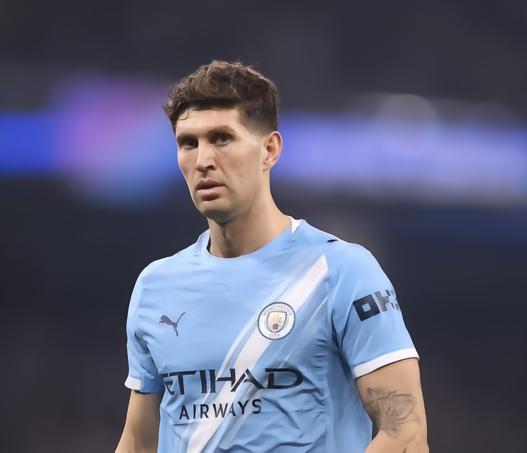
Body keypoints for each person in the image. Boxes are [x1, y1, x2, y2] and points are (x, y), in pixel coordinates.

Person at [115, 60, 428, 453]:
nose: (203, 160)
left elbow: (406, 434)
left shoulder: (341, 271)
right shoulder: (156, 286)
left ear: (269, 149)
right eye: (188, 143)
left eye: (222, 138)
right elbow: (138, 441)